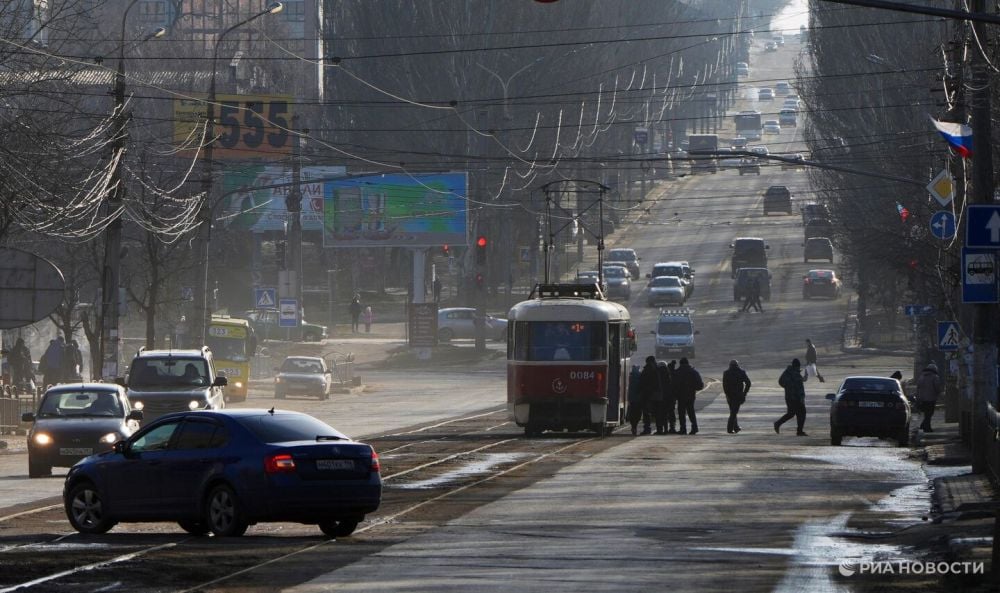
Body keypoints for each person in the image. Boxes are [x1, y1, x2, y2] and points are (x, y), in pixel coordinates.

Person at [775, 358, 808, 436]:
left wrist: (787, 387)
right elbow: (782, 382)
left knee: (792, 413)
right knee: (801, 413)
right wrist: (790, 387)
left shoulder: (789, 372)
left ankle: (778, 423)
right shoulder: (792, 373)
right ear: (796, 366)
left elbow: (781, 382)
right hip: (795, 397)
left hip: (791, 397)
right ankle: (799, 431)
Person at [673, 357, 704, 434]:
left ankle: (683, 429)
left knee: (681, 413)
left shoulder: (677, 372)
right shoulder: (693, 372)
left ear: (680, 364)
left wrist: (675, 394)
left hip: (680, 396)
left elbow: (673, 385)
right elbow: (700, 385)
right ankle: (694, 427)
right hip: (691, 395)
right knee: (691, 411)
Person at [723, 359, 752, 434]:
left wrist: (727, 394)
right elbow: (748, 383)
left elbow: (725, 386)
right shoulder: (741, 372)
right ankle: (729, 429)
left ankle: (735, 427)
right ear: (737, 365)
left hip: (729, 395)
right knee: (733, 412)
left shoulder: (726, 373)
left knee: (733, 411)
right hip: (738, 395)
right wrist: (744, 393)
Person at [637, 356, 661, 435]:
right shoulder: (657, 369)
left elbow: (642, 382)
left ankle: (647, 429)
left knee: (646, 413)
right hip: (656, 394)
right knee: (657, 413)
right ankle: (659, 429)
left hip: (646, 394)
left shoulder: (647, 370)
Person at [916, 362, 943, 432]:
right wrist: (939, 393)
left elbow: (918, 387)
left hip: (922, 399)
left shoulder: (921, 376)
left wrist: (918, 397)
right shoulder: (935, 377)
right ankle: (925, 427)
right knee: (929, 414)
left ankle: (925, 426)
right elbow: (937, 387)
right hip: (931, 398)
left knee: (926, 414)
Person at [655, 360, 673, 434]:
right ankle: (666, 429)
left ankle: (659, 430)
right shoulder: (669, 374)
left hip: (658, 397)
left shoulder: (656, 374)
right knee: (665, 414)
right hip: (667, 397)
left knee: (658, 414)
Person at [626, 364, 643, 435]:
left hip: (632, 400)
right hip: (639, 400)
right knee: (638, 414)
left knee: (632, 414)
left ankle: (633, 426)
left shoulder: (630, 377)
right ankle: (635, 426)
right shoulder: (641, 377)